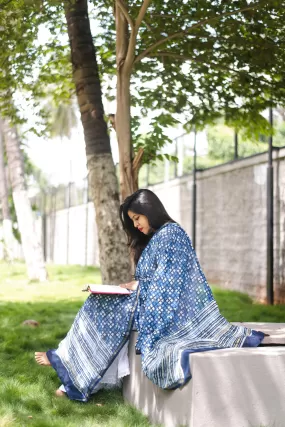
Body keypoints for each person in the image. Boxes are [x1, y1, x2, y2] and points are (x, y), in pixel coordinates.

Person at [35, 189, 265, 401]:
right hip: (146, 301)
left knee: (104, 306)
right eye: (132, 220)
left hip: (166, 309)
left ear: (150, 211)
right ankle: (70, 369)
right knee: (100, 302)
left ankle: (68, 369)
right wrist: (135, 285)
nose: (135, 225)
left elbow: (171, 283)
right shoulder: (156, 238)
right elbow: (154, 278)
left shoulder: (171, 235)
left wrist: (138, 287)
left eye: (137, 218)